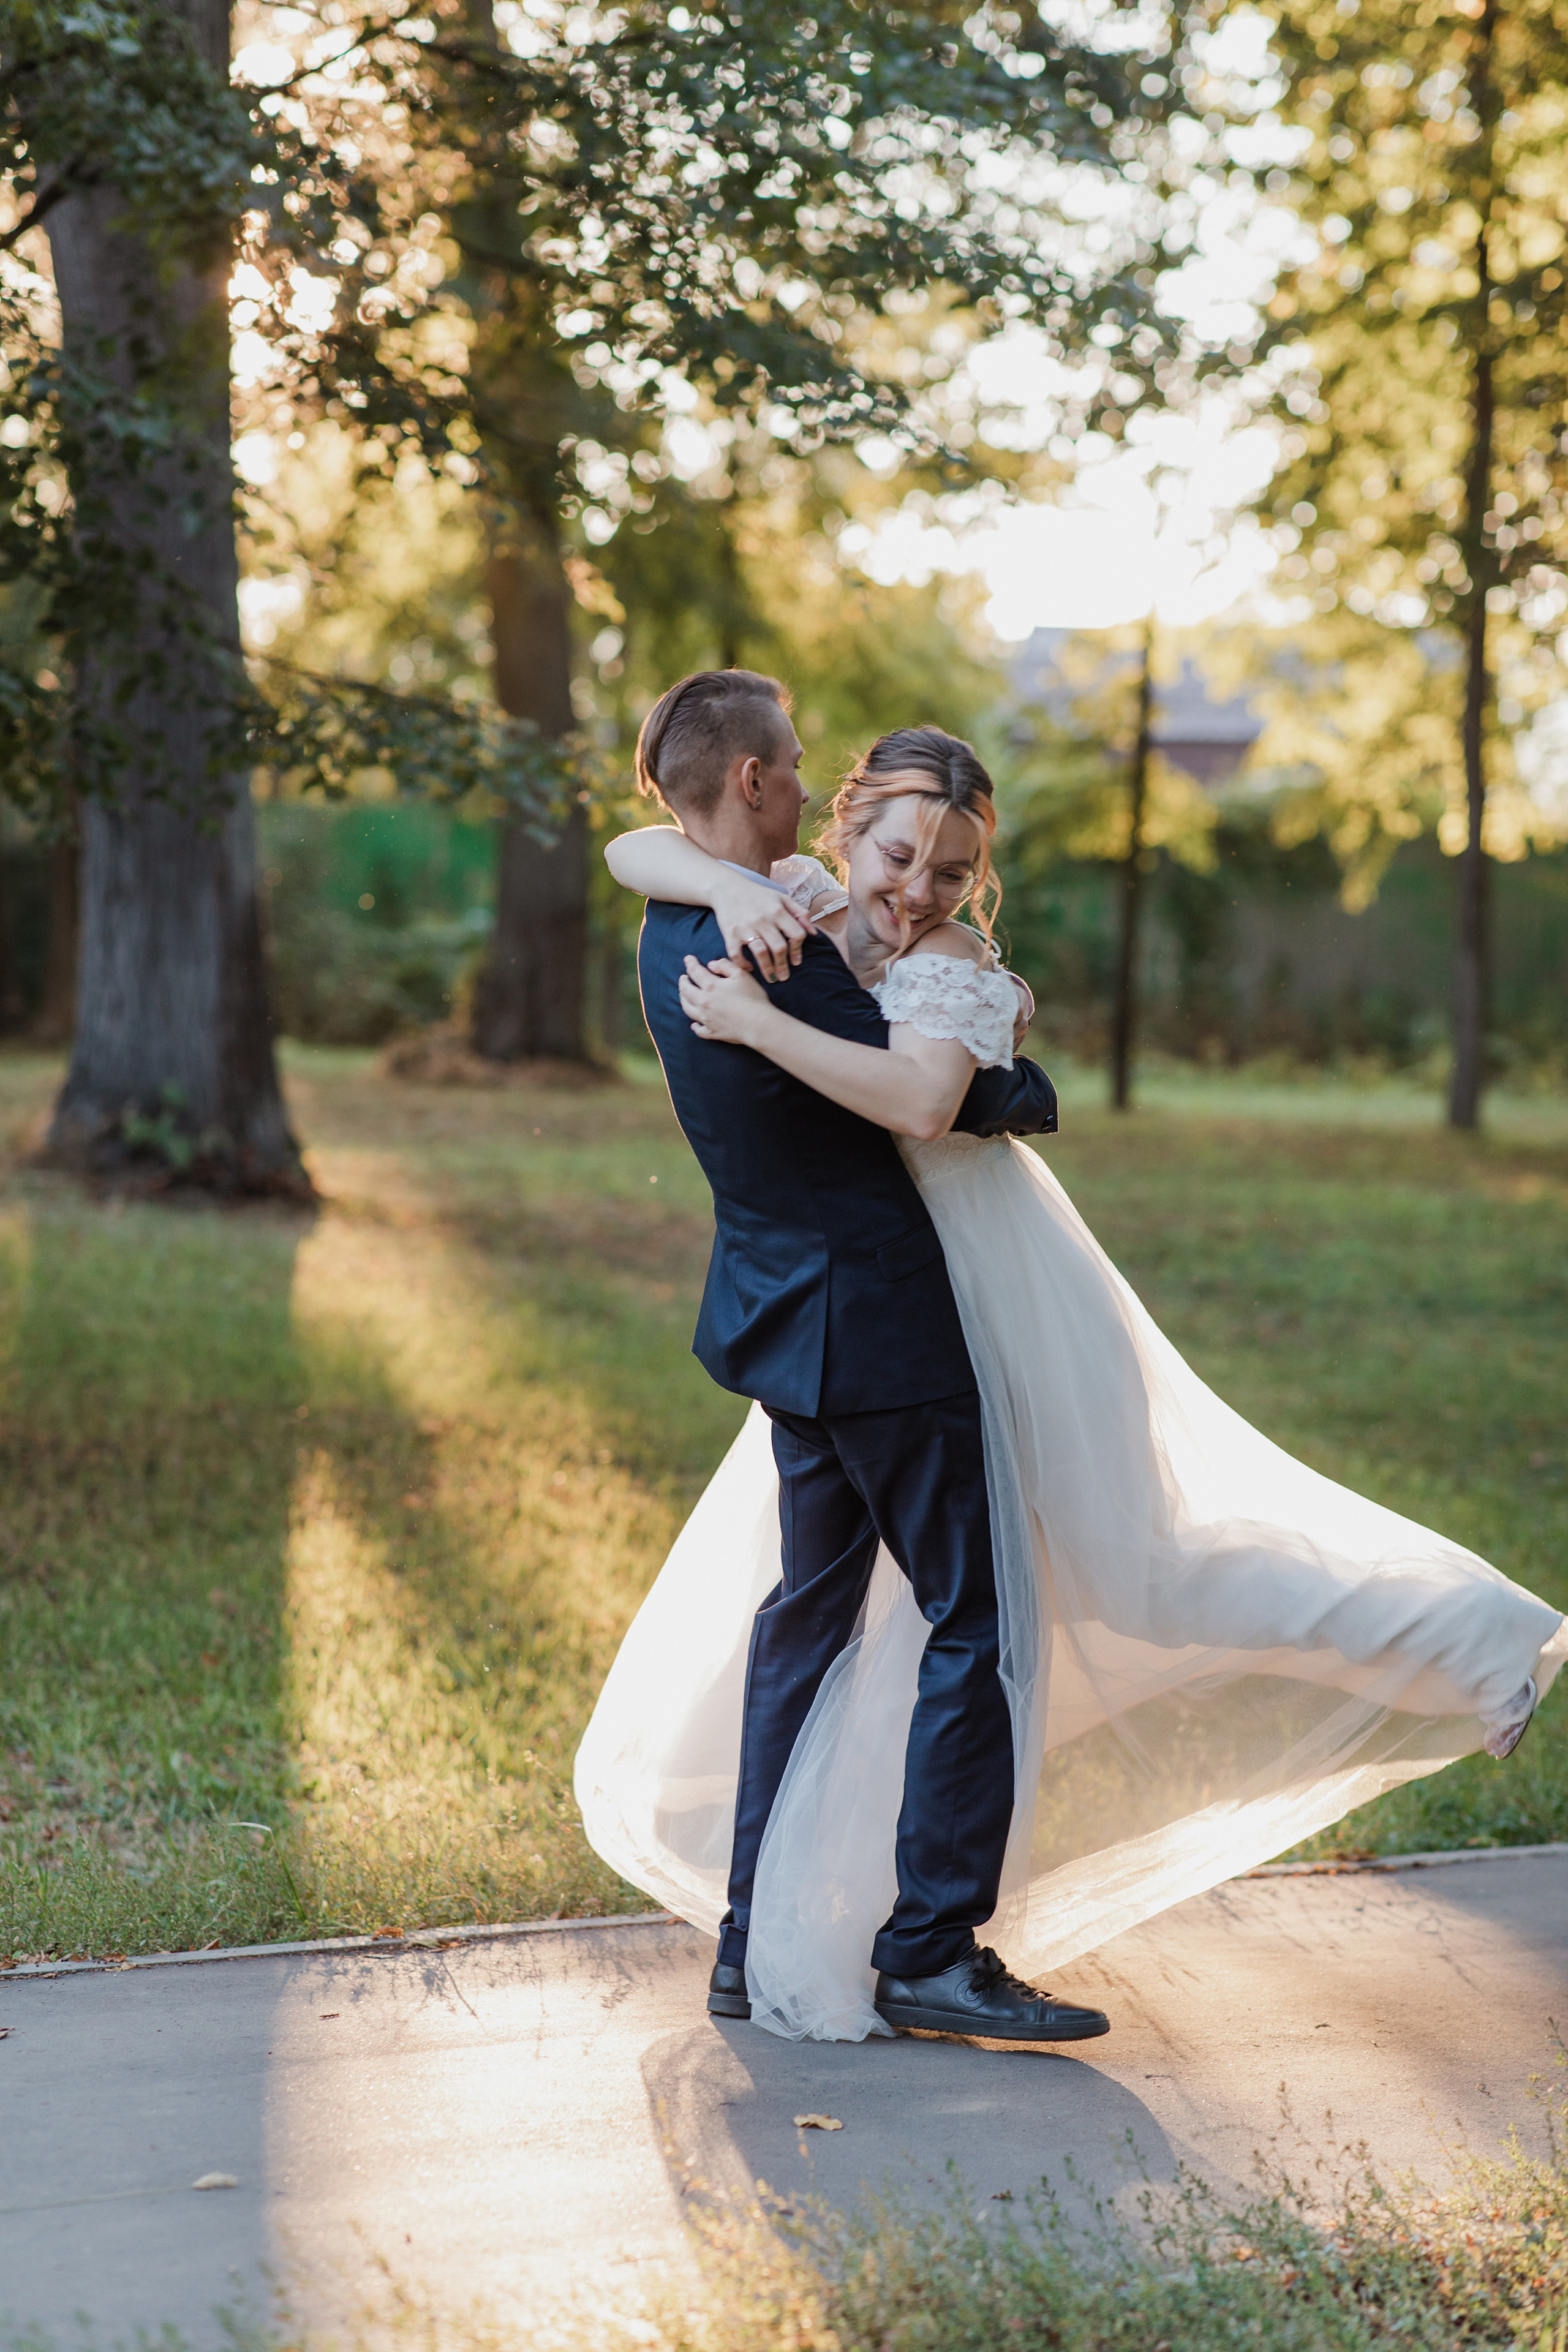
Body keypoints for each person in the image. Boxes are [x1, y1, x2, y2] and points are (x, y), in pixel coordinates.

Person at [574, 673, 1566, 2047]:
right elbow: (654, 840)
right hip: (884, 1325)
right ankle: (890, 1943)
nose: (915, 888)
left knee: (1125, 1575)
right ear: (828, 816)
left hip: (971, 1322)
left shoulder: (902, 957)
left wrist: (773, 1007)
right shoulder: (774, 905)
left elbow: (921, 1095)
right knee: (940, 1620)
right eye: (894, 851)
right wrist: (743, 914)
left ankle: (1469, 1642)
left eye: (950, 870)